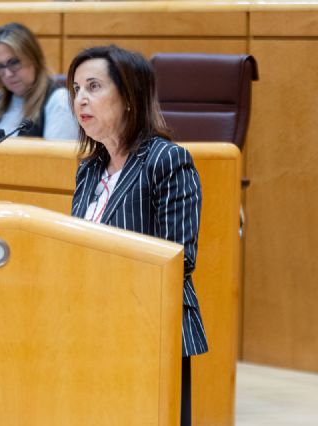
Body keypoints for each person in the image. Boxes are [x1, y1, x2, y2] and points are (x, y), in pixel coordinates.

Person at [68, 45, 207, 426]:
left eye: (94, 86)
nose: (81, 98)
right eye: (76, 88)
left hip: (149, 328)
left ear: (129, 96)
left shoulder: (166, 160)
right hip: (91, 326)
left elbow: (179, 258)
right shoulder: (90, 169)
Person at [0, 23, 77, 140]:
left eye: (14, 62)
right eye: (0, 66)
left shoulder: (59, 99)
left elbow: (57, 157)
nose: (8, 74)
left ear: (33, 58)